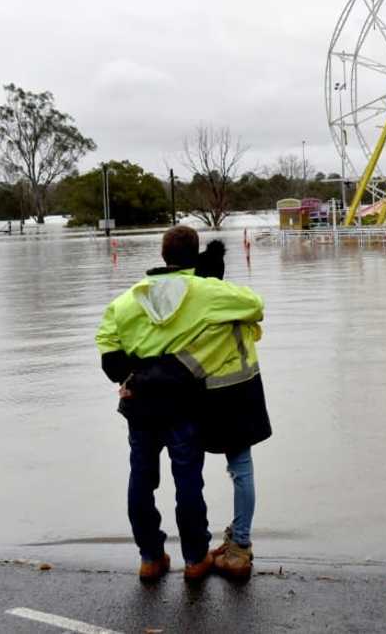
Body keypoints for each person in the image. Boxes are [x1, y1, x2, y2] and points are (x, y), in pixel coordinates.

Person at [95, 226, 264, 583]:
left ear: (162, 255)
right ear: (195, 254)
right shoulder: (207, 292)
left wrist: (134, 377)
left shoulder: (127, 301)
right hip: (183, 402)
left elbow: (108, 350)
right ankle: (195, 559)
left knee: (141, 478)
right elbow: (254, 306)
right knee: (188, 481)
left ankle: (150, 557)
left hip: (138, 405)